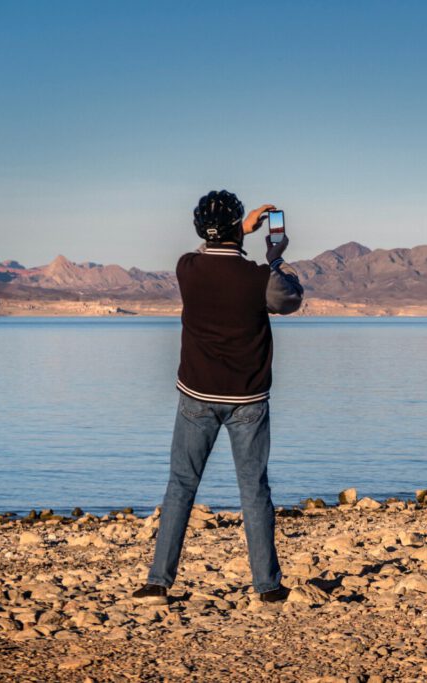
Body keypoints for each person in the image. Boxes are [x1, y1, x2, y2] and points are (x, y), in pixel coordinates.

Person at [132, 190, 304, 605]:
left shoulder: (187, 268)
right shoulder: (259, 278)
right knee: (254, 490)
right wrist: (275, 255)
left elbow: (206, 252)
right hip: (248, 400)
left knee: (180, 486)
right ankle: (267, 586)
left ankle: (159, 582)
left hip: (196, 397)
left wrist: (230, 233)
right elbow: (290, 300)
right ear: (235, 227)